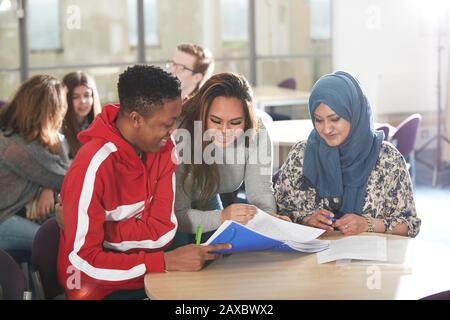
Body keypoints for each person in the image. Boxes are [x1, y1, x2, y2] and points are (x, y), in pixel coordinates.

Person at [57, 65, 230, 300]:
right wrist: (163, 261)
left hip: (146, 273)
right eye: (166, 125)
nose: (172, 133)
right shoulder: (92, 165)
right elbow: (84, 261)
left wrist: (102, 232)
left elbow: (162, 231)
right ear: (136, 119)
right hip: (92, 286)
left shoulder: (163, 149)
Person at [274, 71, 421, 237]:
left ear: (355, 113)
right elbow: (277, 214)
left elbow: (410, 225)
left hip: (371, 261)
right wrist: (306, 220)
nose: (326, 129)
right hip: (311, 258)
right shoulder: (301, 155)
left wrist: (367, 224)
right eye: (318, 120)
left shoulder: (388, 159)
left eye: (335, 119)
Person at [174, 72, 290, 238]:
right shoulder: (181, 134)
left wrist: (269, 219)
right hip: (172, 211)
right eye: (216, 121)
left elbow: (261, 193)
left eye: (235, 123)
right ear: (202, 114)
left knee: (220, 254)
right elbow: (178, 215)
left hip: (207, 192)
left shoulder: (257, 132)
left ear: (247, 121)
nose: (224, 131)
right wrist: (221, 217)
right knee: (182, 253)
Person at [0, 75, 70, 262]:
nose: (65, 110)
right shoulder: (17, 148)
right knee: (51, 240)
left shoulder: (19, 134)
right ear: (49, 110)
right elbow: (67, 178)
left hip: (12, 216)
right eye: (62, 105)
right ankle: (34, 291)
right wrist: (49, 183)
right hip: (3, 222)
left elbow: (55, 171)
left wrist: (46, 186)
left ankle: (31, 288)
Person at [61, 71, 102, 160]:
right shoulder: (60, 130)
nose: (83, 101)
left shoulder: (102, 126)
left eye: (87, 95)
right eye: (75, 97)